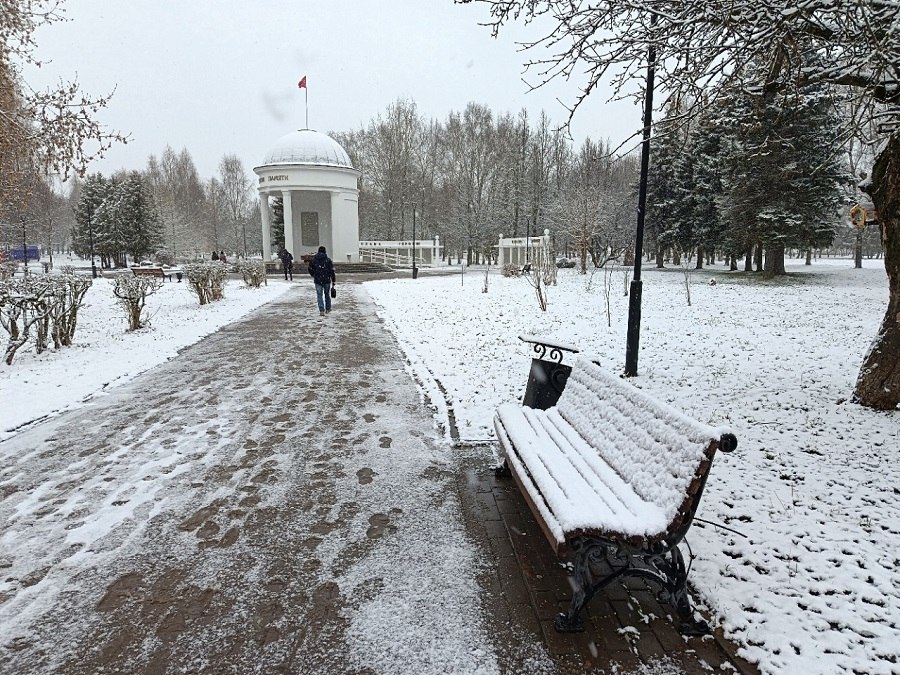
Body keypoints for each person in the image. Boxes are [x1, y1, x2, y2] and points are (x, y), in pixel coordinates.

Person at [307, 245, 336, 316]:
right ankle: (328, 308)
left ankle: (321, 310)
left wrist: (314, 275)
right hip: (326, 279)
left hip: (317, 280)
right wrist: (333, 280)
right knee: (327, 294)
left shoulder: (314, 260)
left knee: (319, 295)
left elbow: (310, 268)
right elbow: (332, 270)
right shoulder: (328, 260)